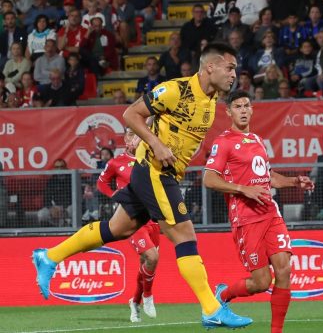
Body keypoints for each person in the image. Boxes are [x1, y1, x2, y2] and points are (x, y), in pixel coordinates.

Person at [31, 43, 252, 329]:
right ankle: (211, 307)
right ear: (211, 66)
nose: (234, 74)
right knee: (185, 236)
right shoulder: (175, 90)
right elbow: (130, 114)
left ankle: (48, 257)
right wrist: (156, 145)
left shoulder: (210, 102)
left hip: (162, 173)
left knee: (116, 229)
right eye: (230, 67)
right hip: (155, 172)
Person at [204, 90, 314, 333]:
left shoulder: (256, 140)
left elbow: (268, 177)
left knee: (284, 268)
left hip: (270, 214)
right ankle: (223, 294)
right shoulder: (223, 142)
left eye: (246, 106)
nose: (243, 110)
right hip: (246, 218)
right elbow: (209, 179)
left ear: (252, 109)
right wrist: (242, 189)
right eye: (238, 106)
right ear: (229, 112)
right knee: (261, 282)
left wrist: (295, 181)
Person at [96, 128, 161, 322]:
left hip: (152, 220)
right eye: (132, 135)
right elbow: (102, 183)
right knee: (152, 256)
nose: (136, 139)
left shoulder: (149, 161)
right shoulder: (116, 163)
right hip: (132, 221)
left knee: (147, 265)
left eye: (139, 135)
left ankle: (134, 301)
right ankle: (148, 296)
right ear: (126, 138)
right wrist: (114, 195)